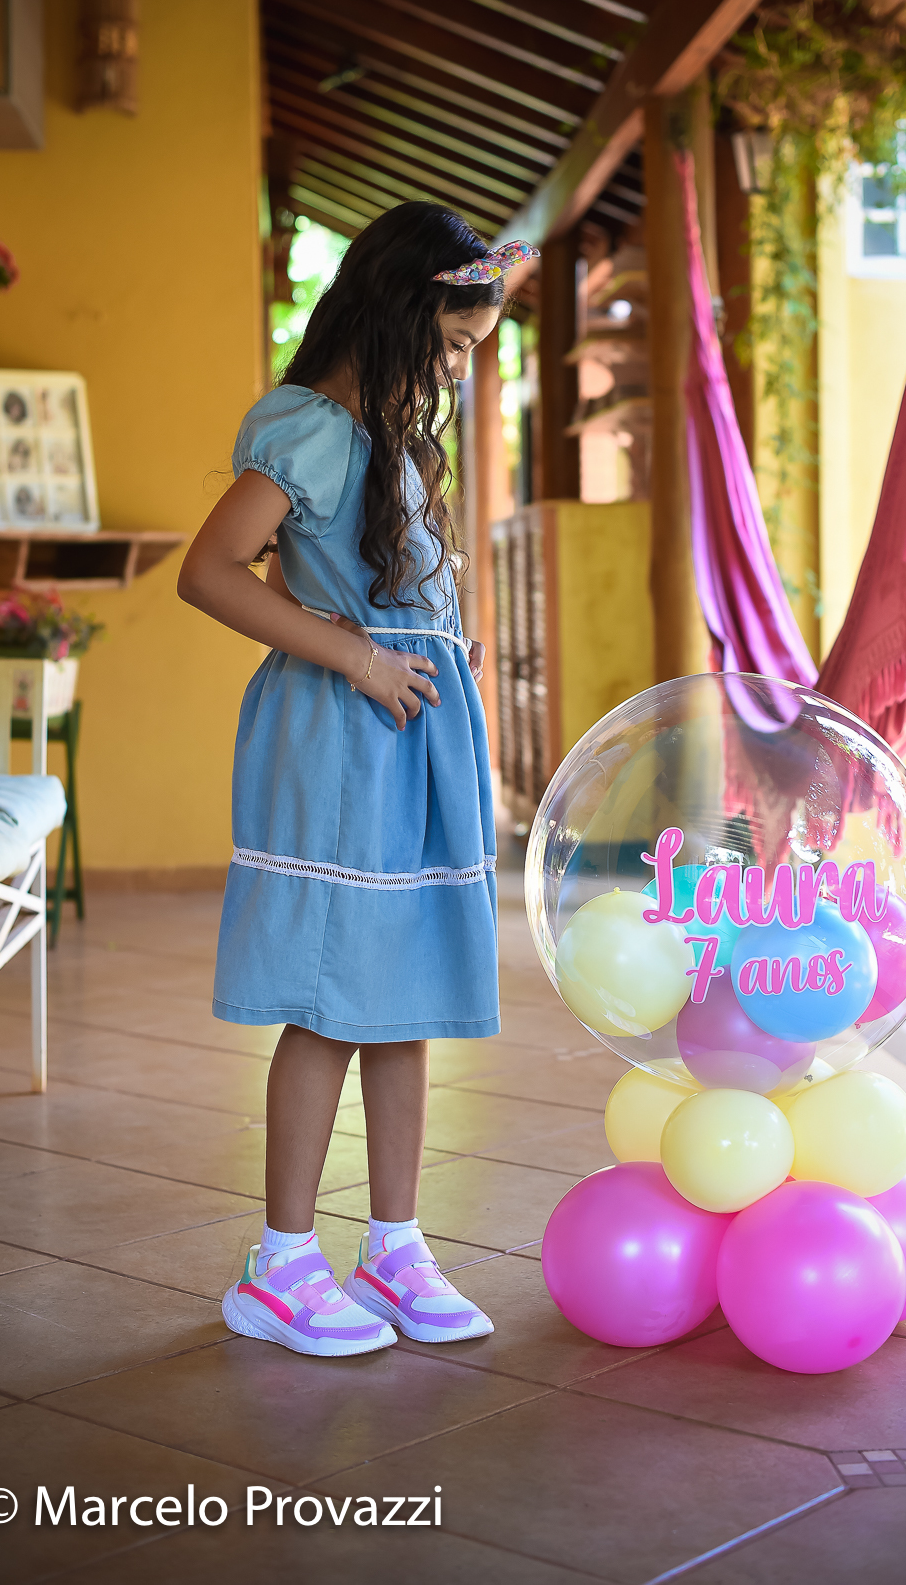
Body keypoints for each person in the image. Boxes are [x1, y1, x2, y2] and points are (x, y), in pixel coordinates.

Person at [178, 204, 538, 1358]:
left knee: (404, 992)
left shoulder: (393, 442)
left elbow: (360, 582)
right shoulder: (313, 429)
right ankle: (281, 1262)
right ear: (398, 313)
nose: (457, 369)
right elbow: (209, 570)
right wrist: (359, 656)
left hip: (411, 739)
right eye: (454, 343)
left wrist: (429, 642)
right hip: (343, 740)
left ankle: (394, 1243)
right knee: (331, 996)